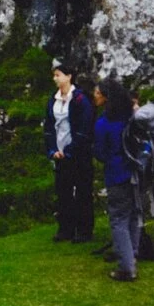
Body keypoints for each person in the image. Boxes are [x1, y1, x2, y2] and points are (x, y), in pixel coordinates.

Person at [94, 77, 142, 282]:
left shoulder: (104, 123)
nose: (94, 94)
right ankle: (132, 255)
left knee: (118, 219)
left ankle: (126, 267)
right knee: (133, 216)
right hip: (137, 172)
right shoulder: (131, 117)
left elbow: (100, 152)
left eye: (97, 92)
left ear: (105, 97)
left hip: (116, 173)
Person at [46, 62, 96, 244]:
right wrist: (52, 149)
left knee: (82, 191)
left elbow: (84, 127)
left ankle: (84, 230)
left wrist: (70, 149)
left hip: (78, 153)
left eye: (58, 75)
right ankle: (65, 228)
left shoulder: (80, 99)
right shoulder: (53, 99)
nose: (55, 78)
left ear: (69, 76)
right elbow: (49, 126)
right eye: (54, 75)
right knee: (63, 191)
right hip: (60, 152)